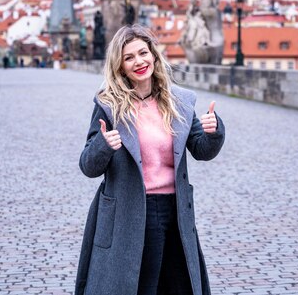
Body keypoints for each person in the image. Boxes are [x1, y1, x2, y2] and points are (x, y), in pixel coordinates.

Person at [75, 24, 225, 295]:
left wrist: (214, 132)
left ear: (154, 56)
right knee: (142, 287)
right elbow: (88, 165)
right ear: (119, 66)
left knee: (180, 286)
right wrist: (103, 145)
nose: (139, 61)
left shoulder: (180, 101)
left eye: (143, 53)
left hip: (176, 211)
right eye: (129, 57)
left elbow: (202, 150)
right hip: (131, 211)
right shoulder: (109, 106)